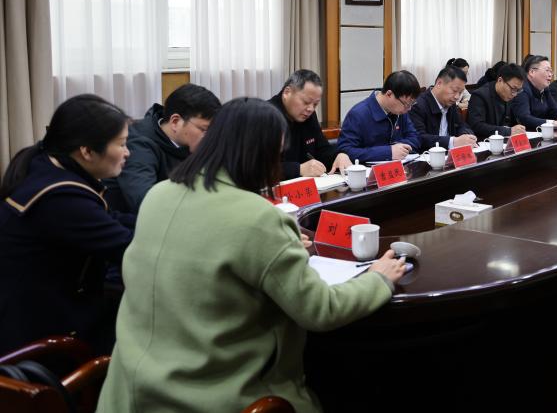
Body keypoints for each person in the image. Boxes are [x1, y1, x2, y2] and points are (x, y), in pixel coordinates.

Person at [96, 98, 405, 413]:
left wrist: (276, 248)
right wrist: (378, 278)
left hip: (127, 391)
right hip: (212, 398)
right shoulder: (259, 218)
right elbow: (320, 310)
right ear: (262, 155)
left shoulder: (158, 195)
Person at [0, 94, 135, 354]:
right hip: (38, 336)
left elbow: (107, 219)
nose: (127, 153)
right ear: (87, 151)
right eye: (122, 144)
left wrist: (159, 220)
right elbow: (130, 249)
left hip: (40, 310)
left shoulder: (44, 166)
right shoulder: (62, 197)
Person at [105, 83, 220, 214]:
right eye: (205, 129)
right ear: (175, 122)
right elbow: (144, 201)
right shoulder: (139, 146)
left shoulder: (189, 141)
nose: (210, 137)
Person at [269, 70, 351, 179]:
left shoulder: (309, 115)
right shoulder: (266, 116)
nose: (311, 109)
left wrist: (338, 155)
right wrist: (298, 169)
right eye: (306, 102)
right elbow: (258, 168)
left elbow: (322, 149)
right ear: (287, 92)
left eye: (315, 104)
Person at [337, 70, 422, 163]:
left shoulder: (400, 111)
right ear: (389, 94)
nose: (409, 109)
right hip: (368, 170)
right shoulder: (358, 114)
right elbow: (345, 151)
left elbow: (415, 138)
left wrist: (398, 148)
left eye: (411, 104)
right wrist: (388, 152)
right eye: (406, 104)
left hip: (399, 166)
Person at [410, 66, 478, 149]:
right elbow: (419, 138)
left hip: (450, 154)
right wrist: (453, 142)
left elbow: (461, 125)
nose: (457, 97)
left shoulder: (450, 103)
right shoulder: (417, 106)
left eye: (460, 93)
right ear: (439, 83)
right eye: (454, 91)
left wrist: (466, 136)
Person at [467, 63, 528, 140]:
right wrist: (508, 131)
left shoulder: (510, 94)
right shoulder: (480, 95)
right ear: (500, 80)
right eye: (513, 88)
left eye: (518, 90)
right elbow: (477, 126)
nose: (515, 94)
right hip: (485, 142)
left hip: (505, 140)